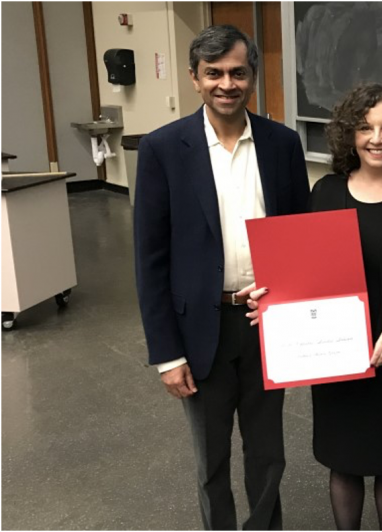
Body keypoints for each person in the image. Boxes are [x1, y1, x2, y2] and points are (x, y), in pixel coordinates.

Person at [249, 82, 382, 530]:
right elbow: (305, 273)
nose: (377, 138)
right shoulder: (325, 192)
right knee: (344, 462)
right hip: (336, 354)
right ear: (349, 135)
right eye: (365, 127)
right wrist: (272, 298)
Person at [133, 25, 309, 530]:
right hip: (198, 331)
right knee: (210, 460)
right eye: (214, 73)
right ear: (194, 78)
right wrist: (167, 354)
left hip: (265, 322)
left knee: (267, 452)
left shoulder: (282, 145)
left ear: (252, 76)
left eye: (237, 72)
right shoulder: (164, 149)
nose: (226, 84)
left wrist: (296, 311)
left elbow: (298, 236)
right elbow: (150, 259)